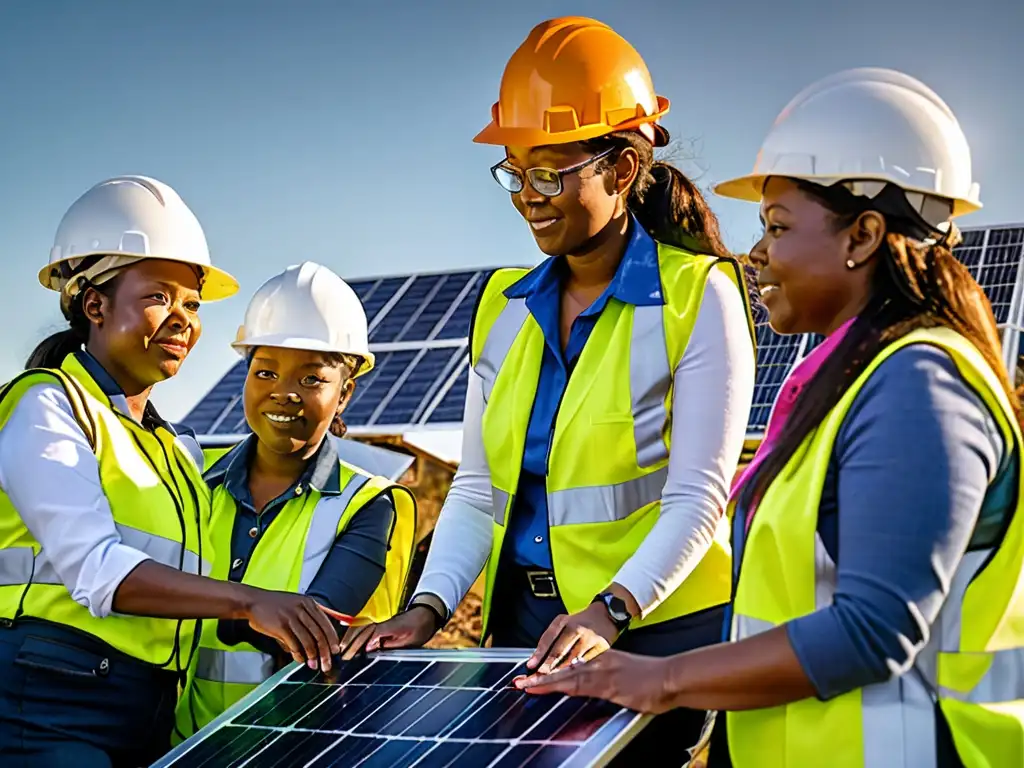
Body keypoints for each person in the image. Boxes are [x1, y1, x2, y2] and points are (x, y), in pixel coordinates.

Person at [515, 68, 1024, 767]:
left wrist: (663, 678)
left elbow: (875, 629)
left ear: (865, 234)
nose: (756, 254)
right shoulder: (853, 381)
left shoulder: (920, 386)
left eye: (778, 228)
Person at [339, 16, 757, 760]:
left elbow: (699, 497)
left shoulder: (700, 294)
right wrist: (429, 609)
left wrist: (611, 610)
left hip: (652, 637)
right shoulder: (502, 307)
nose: (526, 196)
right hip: (530, 635)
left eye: (549, 173)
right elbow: (476, 488)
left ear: (623, 170)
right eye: (513, 172)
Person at [0, 176, 342, 767]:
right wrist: (248, 602)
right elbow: (98, 570)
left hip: (146, 708)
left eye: (193, 304)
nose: (183, 320)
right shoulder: (47, 405)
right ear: (95, 304)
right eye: (159, 296)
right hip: (47, 702)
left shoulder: (175, 449)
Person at [173, 261, 417, 740]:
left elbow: (309, 637)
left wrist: (230, 610)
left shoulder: (367, 504)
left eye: (311, 380)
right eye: (265, 372)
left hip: (297, 745)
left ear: (344, 394)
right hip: (177, 745)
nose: (283, 393)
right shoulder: (188, 477)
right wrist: (248, 607)